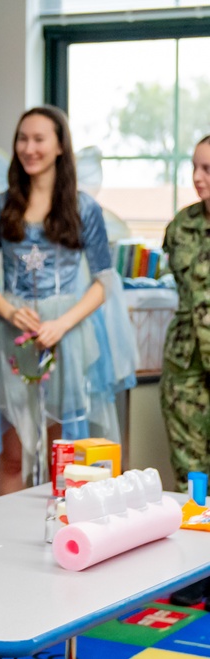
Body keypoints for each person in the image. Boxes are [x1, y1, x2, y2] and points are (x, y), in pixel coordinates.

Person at [0, 105, 137, 494]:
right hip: (11, 336)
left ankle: (63, 540)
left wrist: (62, 323)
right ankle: (10, 541)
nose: (29, 148)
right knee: (12, 454)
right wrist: (10, 311)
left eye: (39, 139)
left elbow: (103, 281)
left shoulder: (84, 208)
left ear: (60, 146)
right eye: (22, 139)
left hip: (67, 335)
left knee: (65, 456)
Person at [160, 135, 210, 607]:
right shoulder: (181, 227)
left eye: (208, 169)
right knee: (192, 475)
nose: (197, 177)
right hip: (186, 367)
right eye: (194, 167)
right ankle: (196, 570)